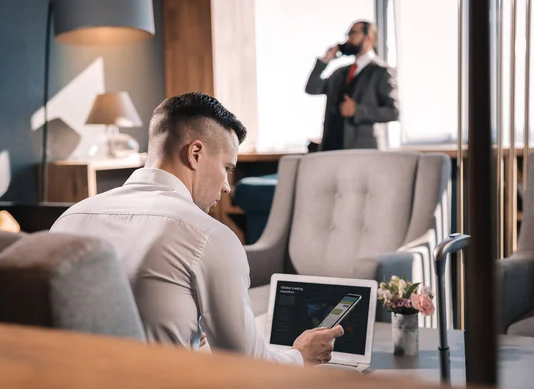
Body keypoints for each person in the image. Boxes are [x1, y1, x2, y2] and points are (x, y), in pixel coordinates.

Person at [50, 92, 344, 366]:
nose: (228, 186)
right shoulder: (208, 236)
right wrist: (300, 356)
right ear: (195, 154)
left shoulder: (69, 219)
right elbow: (246, 366)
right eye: (227, 168)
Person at [305, 20, 399, 151]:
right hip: (331, 147)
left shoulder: (382, 71)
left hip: (362, 151)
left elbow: (393, 112)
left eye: (353, 33)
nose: (348, 39)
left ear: (369, 37)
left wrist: (357, 111)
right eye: (348, 34)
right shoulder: (340, 73)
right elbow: (312, 88)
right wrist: (325, 61)